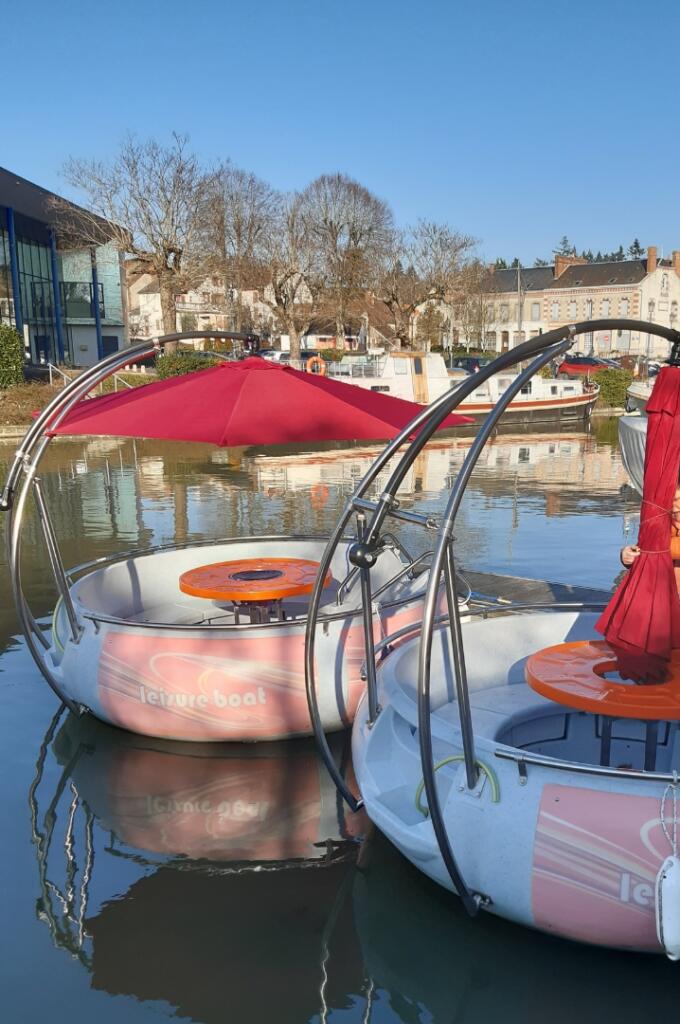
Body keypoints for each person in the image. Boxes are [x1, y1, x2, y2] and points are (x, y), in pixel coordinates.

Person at [621, 485, 680, 590]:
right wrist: (628, 555)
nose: (678, 517)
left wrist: (646, 551)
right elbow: (646, 551)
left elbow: (659, 549)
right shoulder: (667, 528)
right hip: (665, 598)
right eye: (674, 513)